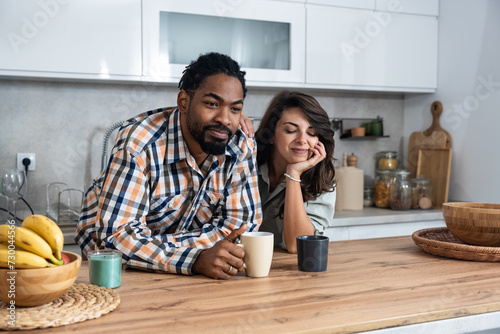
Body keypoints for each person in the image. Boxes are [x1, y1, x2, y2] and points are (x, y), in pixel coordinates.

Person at [75, 52, 262, 279]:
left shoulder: (240, 143)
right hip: (118, 269)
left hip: (187, 271)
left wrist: (185, 255)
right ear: (184, 102)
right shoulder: (138, 144)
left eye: (235, 109)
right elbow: (117, 239)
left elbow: (242, 227)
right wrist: (195, 258)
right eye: (212, 104)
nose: (225, 119)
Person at [254, 91, 336, 253]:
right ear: (270, 135)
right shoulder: (245, 166)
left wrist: (293, 174)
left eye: (311, 133)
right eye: (291, 130)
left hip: (286, 270)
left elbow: (297, 245)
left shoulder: (322, 179)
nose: (302, 140)